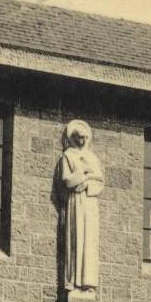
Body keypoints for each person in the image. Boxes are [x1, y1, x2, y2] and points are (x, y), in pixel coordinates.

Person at [58, 120, 104, 292]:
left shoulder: (92, 157)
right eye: (79, 137)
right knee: (76, 239)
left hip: (90, 203)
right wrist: (83, 175)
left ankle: (88, 282)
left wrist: (88, 184)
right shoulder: (68, 156)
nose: (83, 141)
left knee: (89, 242)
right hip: (76, 203)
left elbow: (99, 181)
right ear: (73, 137)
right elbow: (66, 180)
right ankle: (73, 281)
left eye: (85, 138)